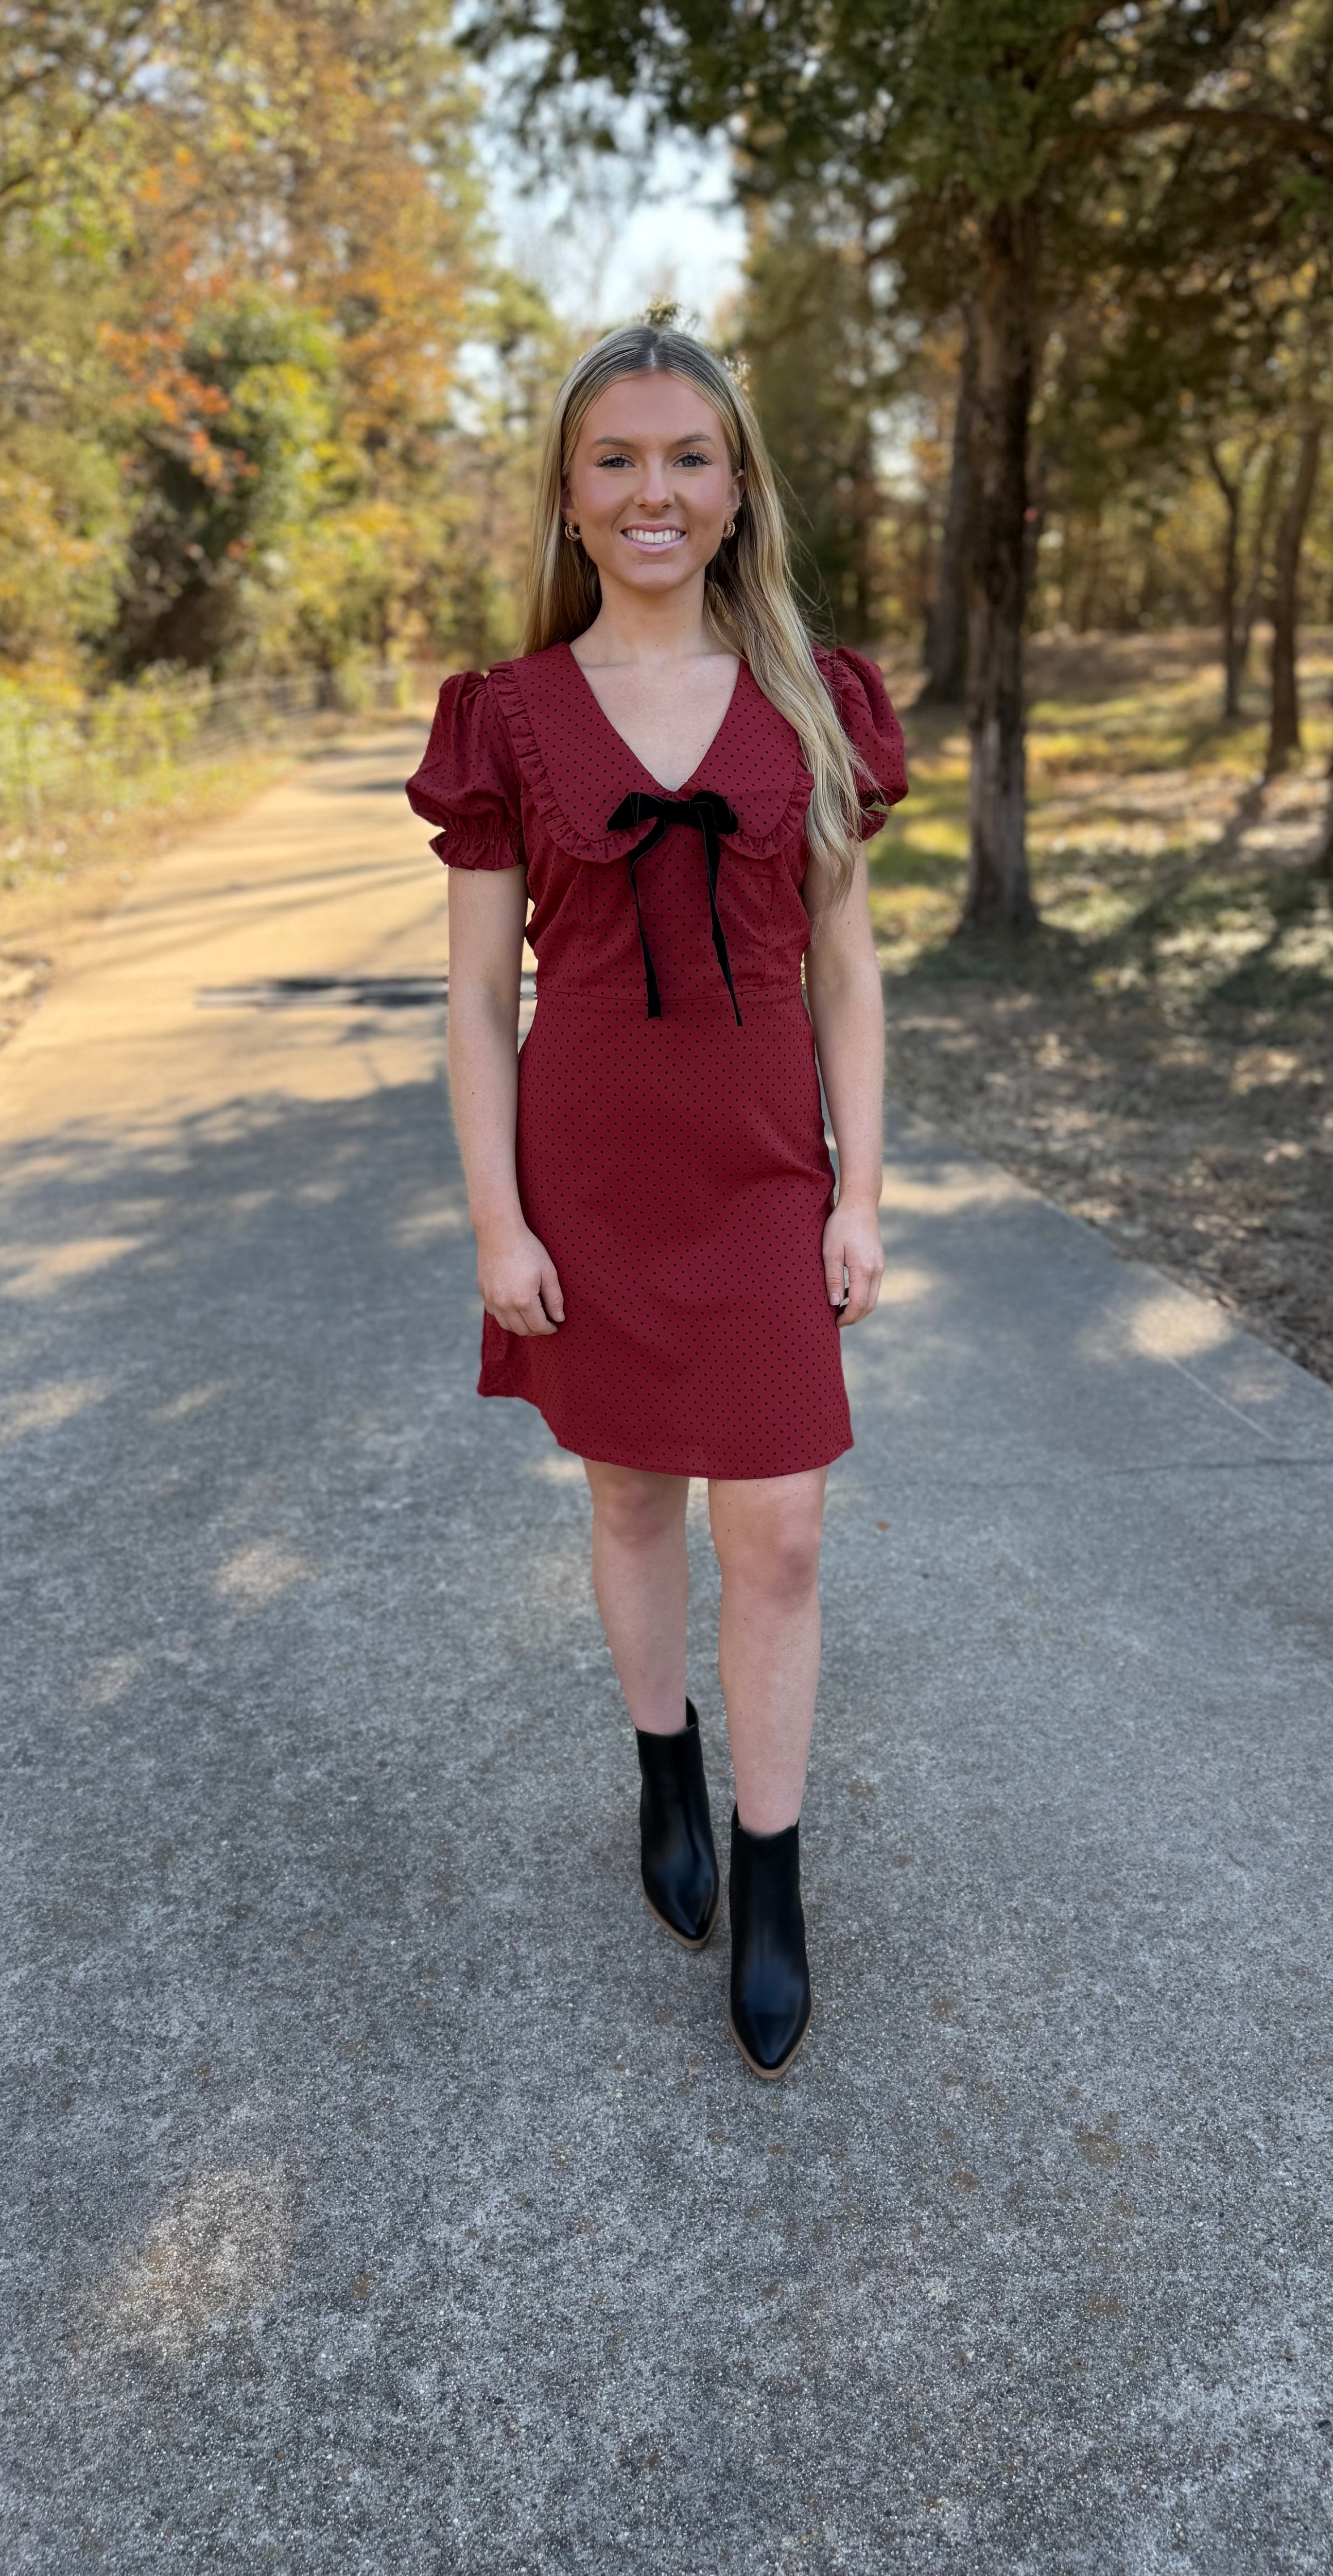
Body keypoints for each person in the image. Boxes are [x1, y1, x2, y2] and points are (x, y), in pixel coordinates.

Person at [406, 320, 904, 2079]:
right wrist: (497, 1221)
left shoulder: (812, 704)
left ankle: (772, 1876)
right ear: (567, 490)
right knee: (631, 1502)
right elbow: (475, 999)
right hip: (590, 1178)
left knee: (777, 1527)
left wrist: (863, 1193)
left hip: (768, 1177)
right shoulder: (509, 717)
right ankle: (662, 1764)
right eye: (616, 460)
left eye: (687, 457)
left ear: (738, 486)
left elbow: (846, 970)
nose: (652, 492)